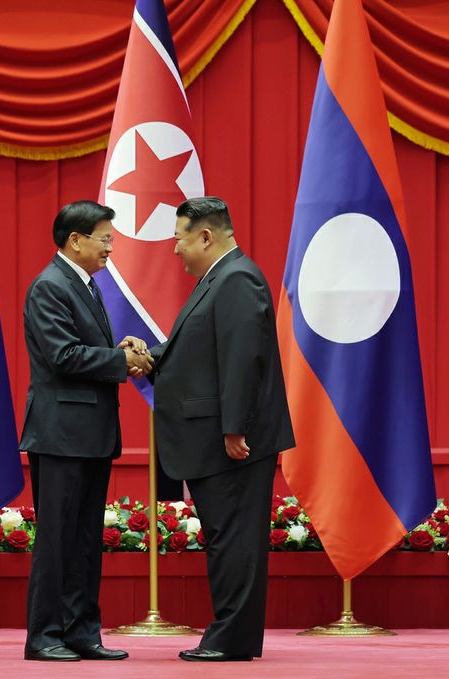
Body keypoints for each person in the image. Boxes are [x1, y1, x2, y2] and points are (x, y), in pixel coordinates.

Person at [149, 197, 294, 661]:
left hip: (232, 441)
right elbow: (200, 353)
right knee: (227, 538)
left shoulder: (236, 279)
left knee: (234, 539)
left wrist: (234, 428)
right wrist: (152, 356)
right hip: (218, 436)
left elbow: (241, 360)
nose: (176, 250)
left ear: (206, 236)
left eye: (179, 239)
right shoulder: (221, 278)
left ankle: (230, 639)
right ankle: (233, 636)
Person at [20, 200, 152, 662]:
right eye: (105, 238)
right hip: (60, 434)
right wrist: (122, 362)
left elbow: (83, 349)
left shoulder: (85, 284)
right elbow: (63, 356)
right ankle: (44, 636)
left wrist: (120, 348)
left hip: (89, 433)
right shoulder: (49, 287)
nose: (111, 248)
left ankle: (81, 632)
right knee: (58, 538)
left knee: (84, 540)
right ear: (75, 240)